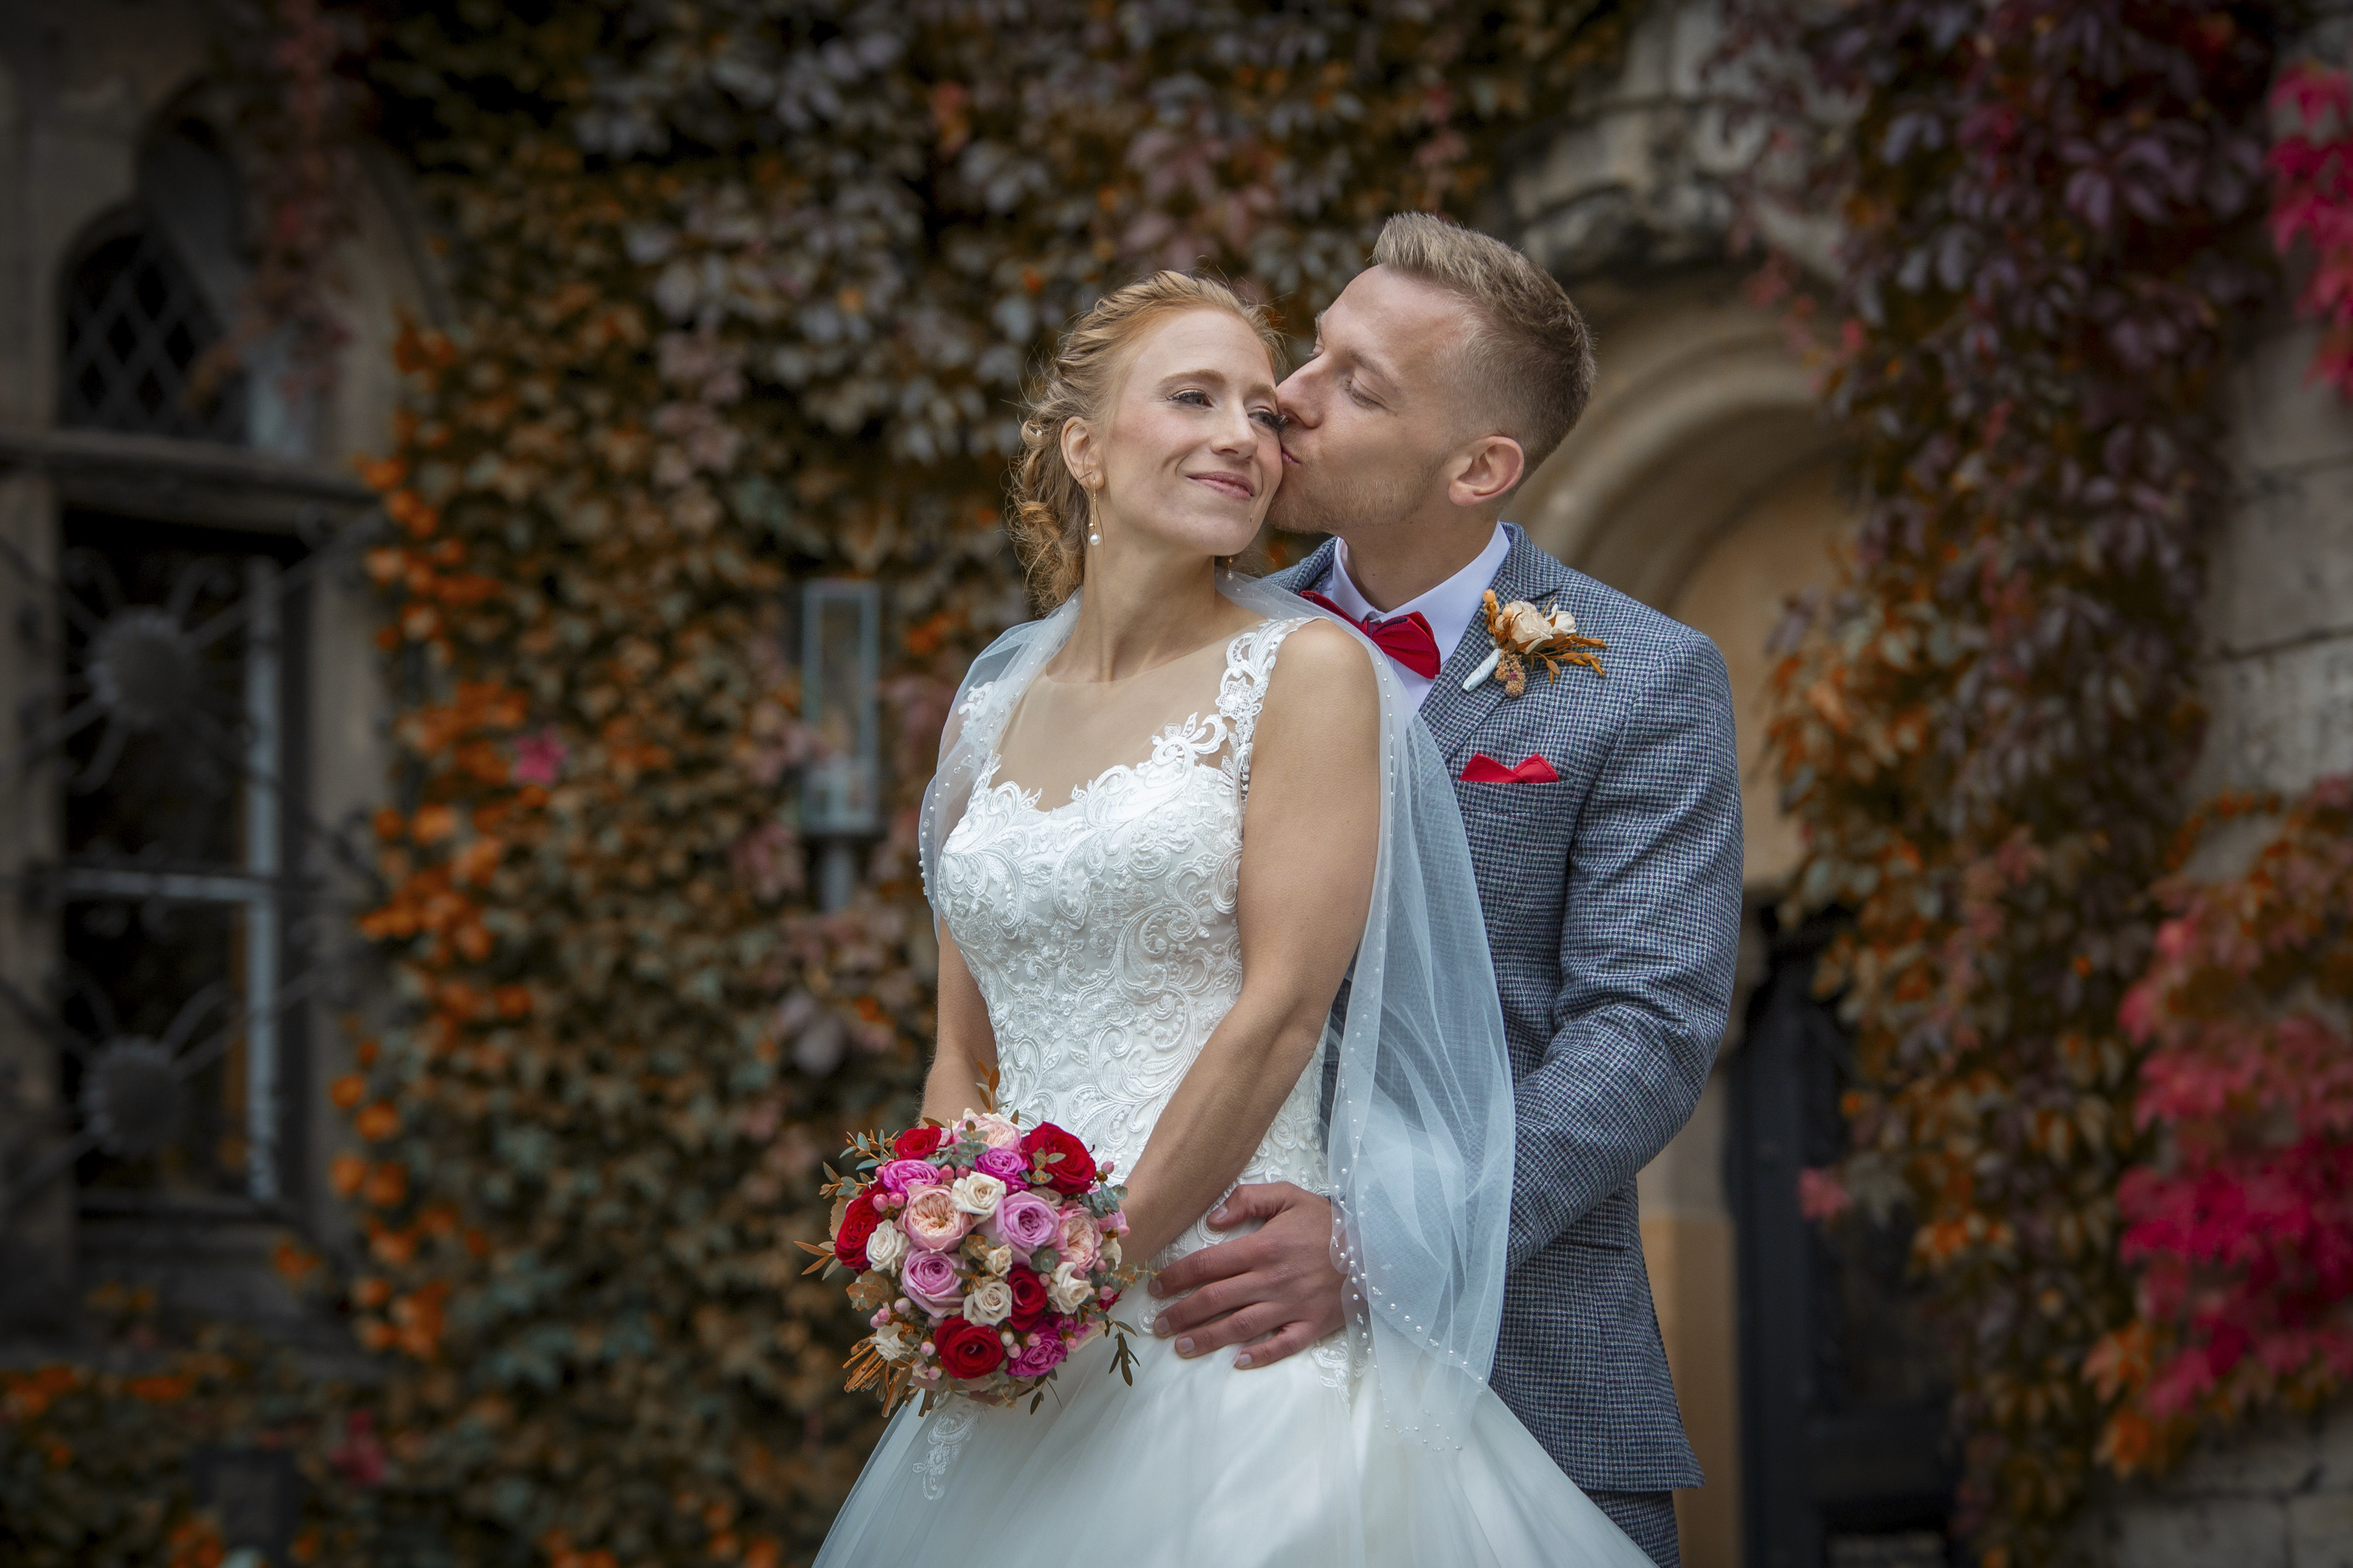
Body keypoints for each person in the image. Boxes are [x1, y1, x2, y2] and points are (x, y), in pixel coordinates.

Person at [811, 269, 1654, 1566]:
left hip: (1224, 1305)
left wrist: (1081, 1274)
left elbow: (1281, 1013)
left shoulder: (1309, 666)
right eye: (1196, 397)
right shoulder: (983, 711)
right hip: (1028, 1313)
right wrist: (945, 1252)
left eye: (1262, 411)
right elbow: (959, 1050)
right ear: (1081, 448)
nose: (1256, 432)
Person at [1144, 213, 1744, 1568]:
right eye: (1317, 352)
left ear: (1481, 466)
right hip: (1196, 1345)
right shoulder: (1203, 643)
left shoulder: (1643, 681)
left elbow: (1642, 1033)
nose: (1286, 399)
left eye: (1359, 386)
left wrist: (1386, 1243)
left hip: (1518, 1366)